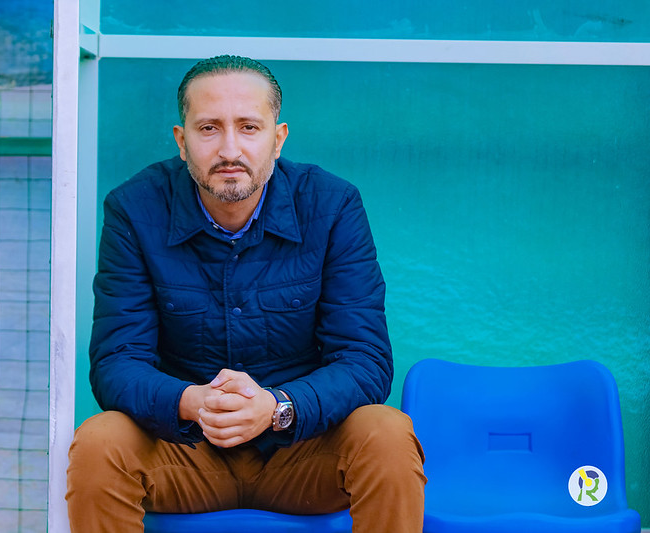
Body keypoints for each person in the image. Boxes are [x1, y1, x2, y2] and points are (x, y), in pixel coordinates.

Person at [66, 54, 426, 532]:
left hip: (303, 453)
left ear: (278, 139)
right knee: (99, 443)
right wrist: (193, 402)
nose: (229, 149)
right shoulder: (134, 209)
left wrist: (276, 408)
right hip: (184, 453)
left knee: (387, 433)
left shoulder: (333, 205)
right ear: (182, 141)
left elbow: (365, 360)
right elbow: (117, 361)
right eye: (209, 128)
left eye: (249, 127)